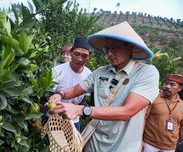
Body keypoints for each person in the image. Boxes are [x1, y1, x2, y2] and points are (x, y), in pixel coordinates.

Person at [48, 21, 160, 152]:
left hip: (122, 147)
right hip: (93, 144)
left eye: (114, 48)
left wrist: (80, 110)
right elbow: (75, 90)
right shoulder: (101, 72)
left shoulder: (146, 72)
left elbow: (127, 111)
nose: (109, 54)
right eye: (107, 49)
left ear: (129, 47)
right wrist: (59, 95)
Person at [52, 37, 92, 131]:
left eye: (84, 56)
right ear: (71, 52)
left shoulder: (89, 75)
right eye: (76, 54)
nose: (79, 59)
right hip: (55, 119)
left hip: (74, 120)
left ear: (89, 56)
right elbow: (48, 94)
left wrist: (78, 108)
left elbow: (85, 97)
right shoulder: (57, 71)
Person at [143, 74, 183, 152]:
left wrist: (181, 142)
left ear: (180, 88)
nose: (167, 86)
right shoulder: (153, 98)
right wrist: (139, 139)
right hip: (149, 144)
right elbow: (143, 119)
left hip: (170, 147)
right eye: (166, 83)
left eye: (172, 84)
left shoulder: (182, 105)